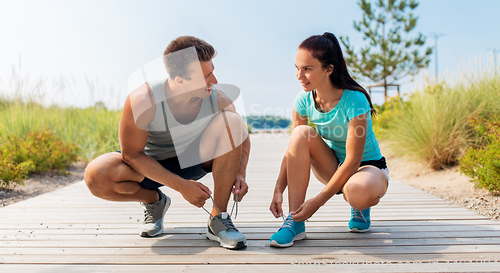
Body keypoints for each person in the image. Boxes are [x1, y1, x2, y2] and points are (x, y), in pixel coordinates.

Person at [85, 36, 250, 250]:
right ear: (180, 80)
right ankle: (154, 200)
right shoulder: (143, 99)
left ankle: (218, 219)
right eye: (206, 76)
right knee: (95, 175)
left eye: (213, 71)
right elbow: (131, 155)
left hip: (194, 161)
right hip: (149, 165)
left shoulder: (218, 98)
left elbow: (242, 136)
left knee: (232, 121)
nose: (215, 81)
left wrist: (240, 173)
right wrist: (181, 187)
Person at [269, 32, 389, 248]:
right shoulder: (303, 100)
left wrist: (317, 201)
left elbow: (353, 161)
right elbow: (293, 149)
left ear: (329, 69)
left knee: (357, 193)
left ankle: (361, 207)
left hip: (367, 167)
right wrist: (279, 188)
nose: (299, 74)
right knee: (300, 134)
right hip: (333, 166)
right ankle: (295, 222)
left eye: (307, 68)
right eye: (297, 67)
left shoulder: (355, 100)